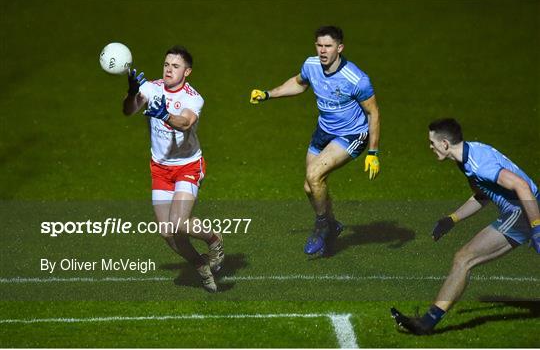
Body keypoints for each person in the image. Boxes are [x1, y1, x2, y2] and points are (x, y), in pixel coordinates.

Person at [391, 118, 540, 335]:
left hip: (523, 212)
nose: (430, 147)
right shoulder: (467, 159)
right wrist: (452, 219)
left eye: (432, 143)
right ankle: (427, 322)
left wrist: (536, 227)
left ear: (444, 144)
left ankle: (426, 323)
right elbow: (482, 196)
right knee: (463, 259)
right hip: (522, 211)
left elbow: (522, 186)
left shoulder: (478, 163)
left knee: (464, 258)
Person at [250, 26, 381, 256]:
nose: (322, 51)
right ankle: (333, 224)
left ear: (339, 48)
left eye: (328, 46)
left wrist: (373, 153)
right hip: (324, 131)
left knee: (314, 176)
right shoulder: (311, 65)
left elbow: (373, 113)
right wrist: (268, 94)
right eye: (319, 45)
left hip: (351, 134)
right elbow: (299, 83)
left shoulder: (356, 79)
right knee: (310, 187)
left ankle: (322, 226)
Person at [122, 45, 224, 292]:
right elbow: (128, 111)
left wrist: (165, 115)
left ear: (186, 72)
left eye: (175, 66)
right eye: (166, 64)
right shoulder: (151, 88)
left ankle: (214, 239)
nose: (169, 69)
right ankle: (200, 266)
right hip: (160, 168)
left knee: (180, 223)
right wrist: (132, 93)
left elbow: (186, 122)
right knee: (167, 232)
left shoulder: (192, 97)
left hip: (187, 165)